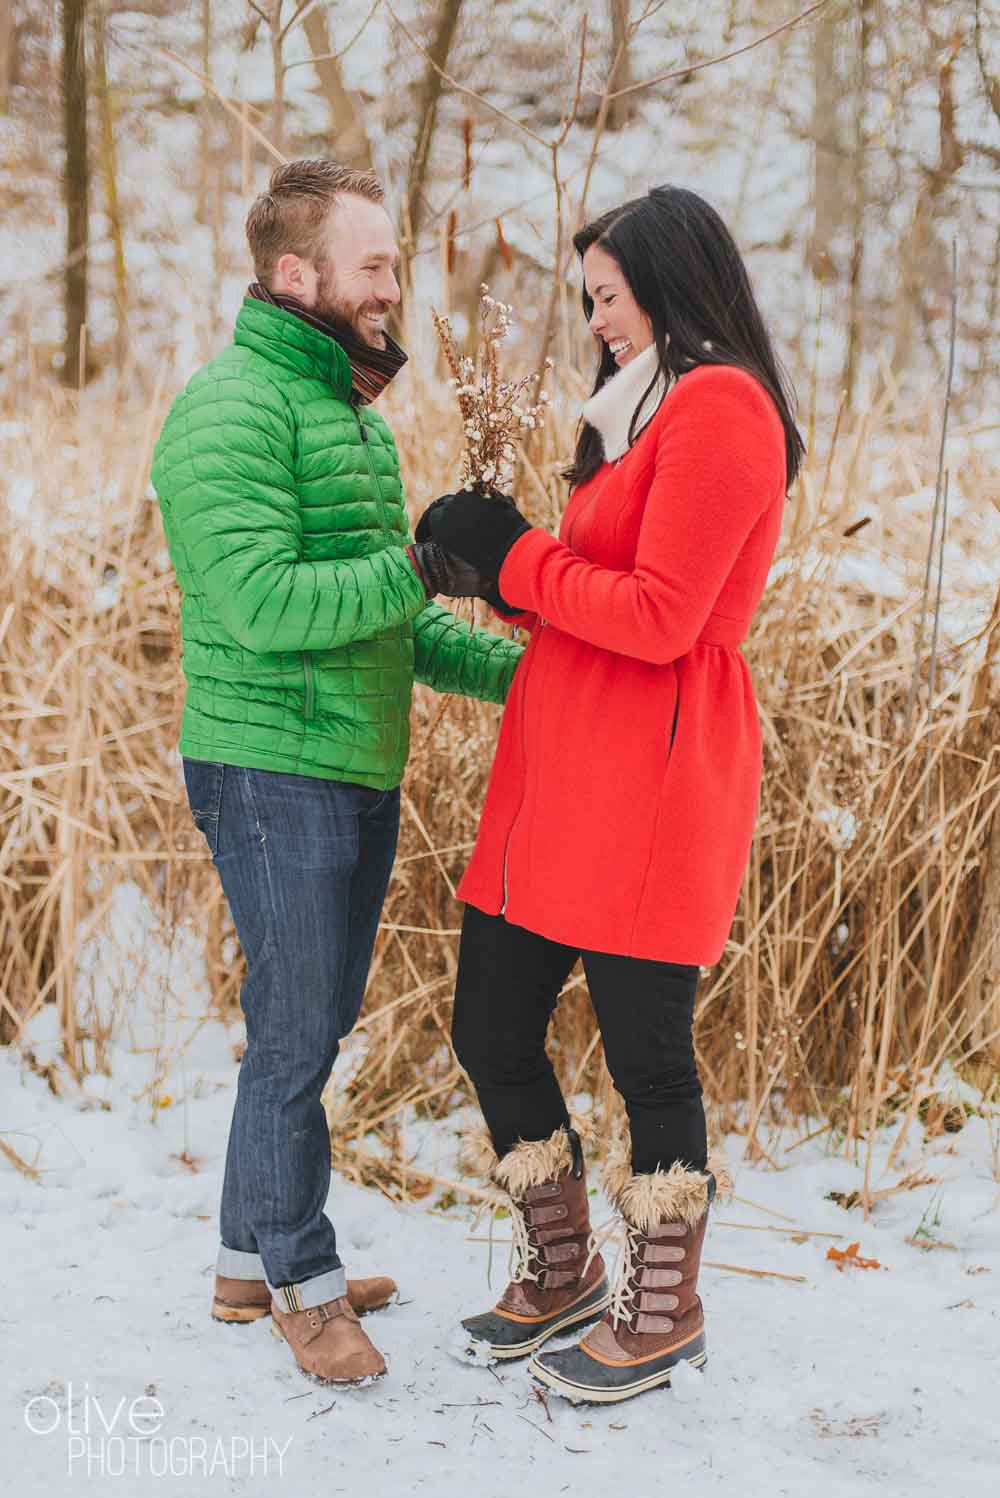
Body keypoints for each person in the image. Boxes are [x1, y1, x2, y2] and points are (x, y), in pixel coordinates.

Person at [418, 185, 805, 1403]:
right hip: (562, 763)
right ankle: (566, 1266)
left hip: (651, 769)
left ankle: (665, 1305)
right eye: (586, 300)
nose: (598, 320)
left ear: (674, 281)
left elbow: (661, 615)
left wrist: (518, 557)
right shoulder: (632, 417)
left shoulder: (723, 406)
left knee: (648, 1058)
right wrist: (496, 559)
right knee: (489, 1025)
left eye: (610, 295)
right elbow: (586, 583)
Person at [151, 158, 520, 1388]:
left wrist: (536, 674)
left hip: (349, 758)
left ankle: (242, 1263)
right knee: (298, 1036)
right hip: (269, 765)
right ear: (294, 273)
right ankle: (303, 1281)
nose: (392, 288)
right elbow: (263, 602)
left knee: (299, 1027)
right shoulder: (230, 410)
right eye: (373, 266)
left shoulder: (347, 416)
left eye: (395, 266)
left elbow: (386, 620)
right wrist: (418, 565)